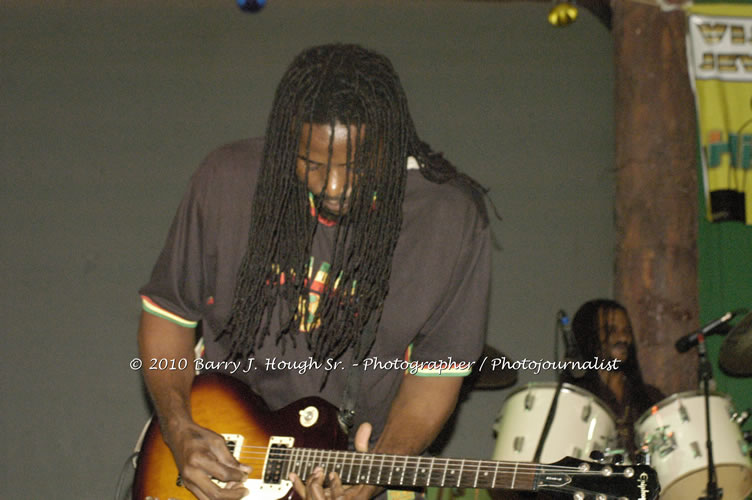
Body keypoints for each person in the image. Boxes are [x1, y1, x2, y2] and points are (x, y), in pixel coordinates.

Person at [137, 43, 491, 500]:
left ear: (393, 141)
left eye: (358, 167)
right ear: (288, 142)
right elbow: (167, 316)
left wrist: (380, 469)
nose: (335, 188)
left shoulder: (448, 220)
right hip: (224, 464)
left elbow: (436, 376)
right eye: (313, 165)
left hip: (357, 462)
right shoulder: (227, 180)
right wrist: (179, 426)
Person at [565, 298, 665, 459]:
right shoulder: (575, 399)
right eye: (612, 331)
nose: (623, 339)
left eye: (626, 331)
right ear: (590, 336)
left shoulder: (650, 397)